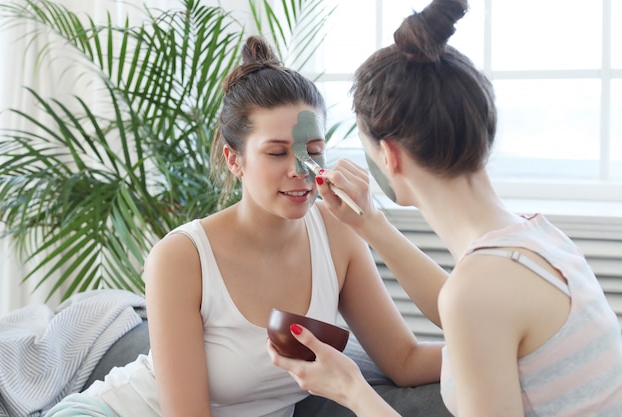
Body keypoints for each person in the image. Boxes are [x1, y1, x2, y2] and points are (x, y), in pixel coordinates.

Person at [45, 35, 446, 417]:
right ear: (235, 160)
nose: (300, 170)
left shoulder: (337, 236)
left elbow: (405, 361)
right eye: (276, 152)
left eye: (314, 151)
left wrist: (504, 353)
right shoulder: (182, 257)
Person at [267, 1, 622, 416]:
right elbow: (470, 309)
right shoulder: (537, 239)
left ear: (389, 156)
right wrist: (372, 225)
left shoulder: (478, 292)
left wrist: (352, 390)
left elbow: (470, 305)